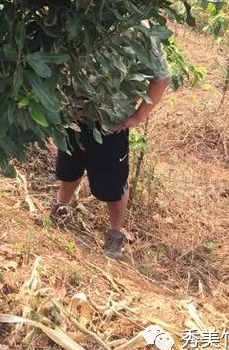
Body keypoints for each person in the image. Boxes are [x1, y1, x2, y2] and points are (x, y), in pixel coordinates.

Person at [50, 30, 171, 259]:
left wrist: (138, 116)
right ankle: (61, 208)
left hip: (111, 125)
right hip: (73, 114)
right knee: (69, 169)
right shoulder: (83, 13)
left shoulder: (140, 30)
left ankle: (115, 234)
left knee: (113, 187)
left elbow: (161, 78)